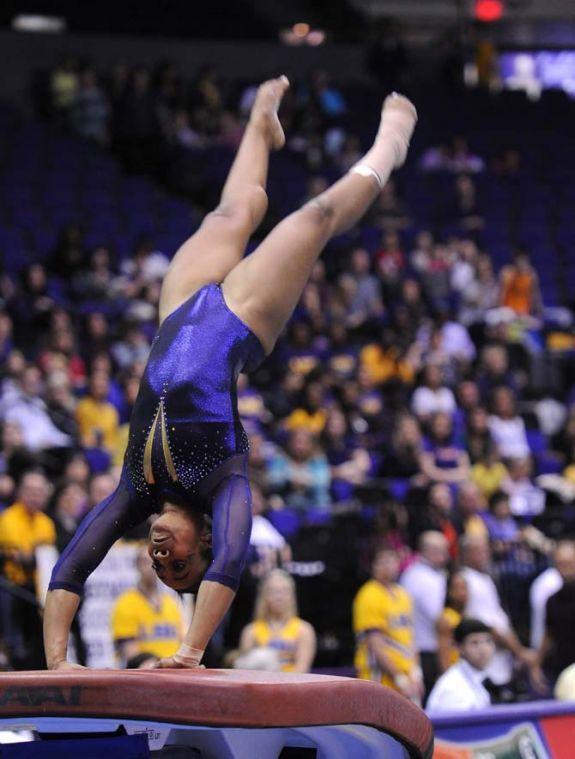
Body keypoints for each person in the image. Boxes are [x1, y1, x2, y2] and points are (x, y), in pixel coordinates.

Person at [43, 78, 418, 671]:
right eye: (179, 566)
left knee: (232, 210)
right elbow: (232, 562)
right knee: (315, 217)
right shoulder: (225, 487)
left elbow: (71, 566)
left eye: (161, 568)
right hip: (242, 319)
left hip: (177, 310)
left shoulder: (134, 492)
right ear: (205, 542)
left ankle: (259, 130)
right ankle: (389, 148)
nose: (162, 559)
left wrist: (57, 661)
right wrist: (191, 650)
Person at [353, 546, 423, 702]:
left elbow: (411, 638)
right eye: (383, 562)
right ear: (373, 566)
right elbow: (375, 644)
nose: (388, 566)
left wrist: (416, 673)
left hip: (408, 676)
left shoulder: (403, 594)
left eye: (392, 560)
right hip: (380, 676)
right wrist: (400, 678)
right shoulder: (369, 595)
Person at [111, 546, 185, 667]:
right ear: (137, 566)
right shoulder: (126, 603)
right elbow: (130, 652)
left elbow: (182, 642)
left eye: (156, 562)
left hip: (173, 672)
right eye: (146, 562)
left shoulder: (170, 602)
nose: (152, 568)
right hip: (145, 672)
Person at [236, 569, 316, 672]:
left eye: (284, 591)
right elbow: (245, 670)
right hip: (261, 684)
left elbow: (302, 670)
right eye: (273, 591)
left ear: (292, 595)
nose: (279, 597)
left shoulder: (304, 630)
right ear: (264, 596)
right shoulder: (251, 631)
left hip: (291, 685)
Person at [400, 531, 449, 696]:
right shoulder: (421, 578)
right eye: (439, 550)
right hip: (426, 651)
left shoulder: (420, 574)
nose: (444, 556)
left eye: (445, 550)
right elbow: (439, 619)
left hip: (426, 648)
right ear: (425, 551)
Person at [530, 541, 575, 695]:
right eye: (561, 564)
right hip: (562, 669)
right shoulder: (552, 600)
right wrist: (536, 665)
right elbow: (549, 632)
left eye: (569, 563)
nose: (565, 569)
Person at [426, 619, 495, 713]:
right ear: (459, 647)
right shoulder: (453, 688)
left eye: (488, 641)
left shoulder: (480, 679)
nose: (484, 650)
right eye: (475, 643)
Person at [436, 570, 469, 674]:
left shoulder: (465, 616)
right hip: (454, 672)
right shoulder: (446, 619)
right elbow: (444, 654)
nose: (463, 593)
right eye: (458, 588)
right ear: (449, 592)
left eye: (465, 588)